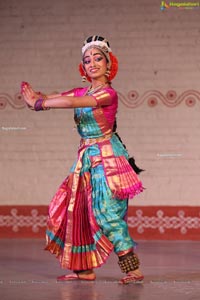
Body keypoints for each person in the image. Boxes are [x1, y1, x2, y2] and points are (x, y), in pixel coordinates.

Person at [21, 35, 144, 284]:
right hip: (86, 158)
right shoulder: (82, 90)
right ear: (83, 68)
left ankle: (133, 269)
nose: (92, 63)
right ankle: (84, 270)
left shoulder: (108, 94)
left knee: (105, 213)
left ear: (109, 65)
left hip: (108, 160)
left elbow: (71, 102)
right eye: (87, 60)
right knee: (73, 209)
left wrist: (40, 104)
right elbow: (62, 95)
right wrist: (38, 96)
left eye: (98, 58)